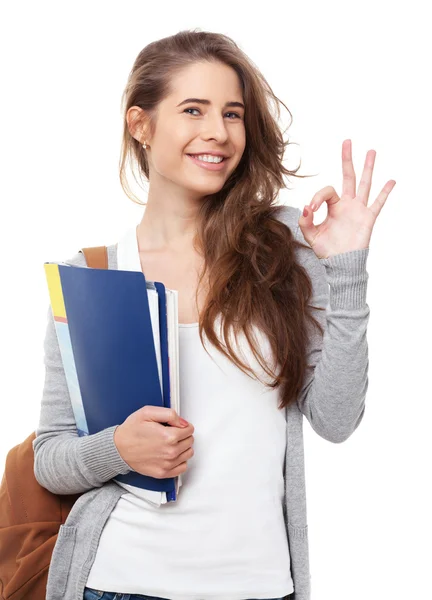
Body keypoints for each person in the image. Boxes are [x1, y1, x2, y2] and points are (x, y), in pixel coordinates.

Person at [33, 28, 395, 600]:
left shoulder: (282, 250)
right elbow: (50, 459)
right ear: (141, 126)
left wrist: (347, 269)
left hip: (257, 586)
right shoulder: (97, 275)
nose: (218, 133)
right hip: (117, 585)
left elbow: (337, 418)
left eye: (232, 113)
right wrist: (119, 449)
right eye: (193, 110)